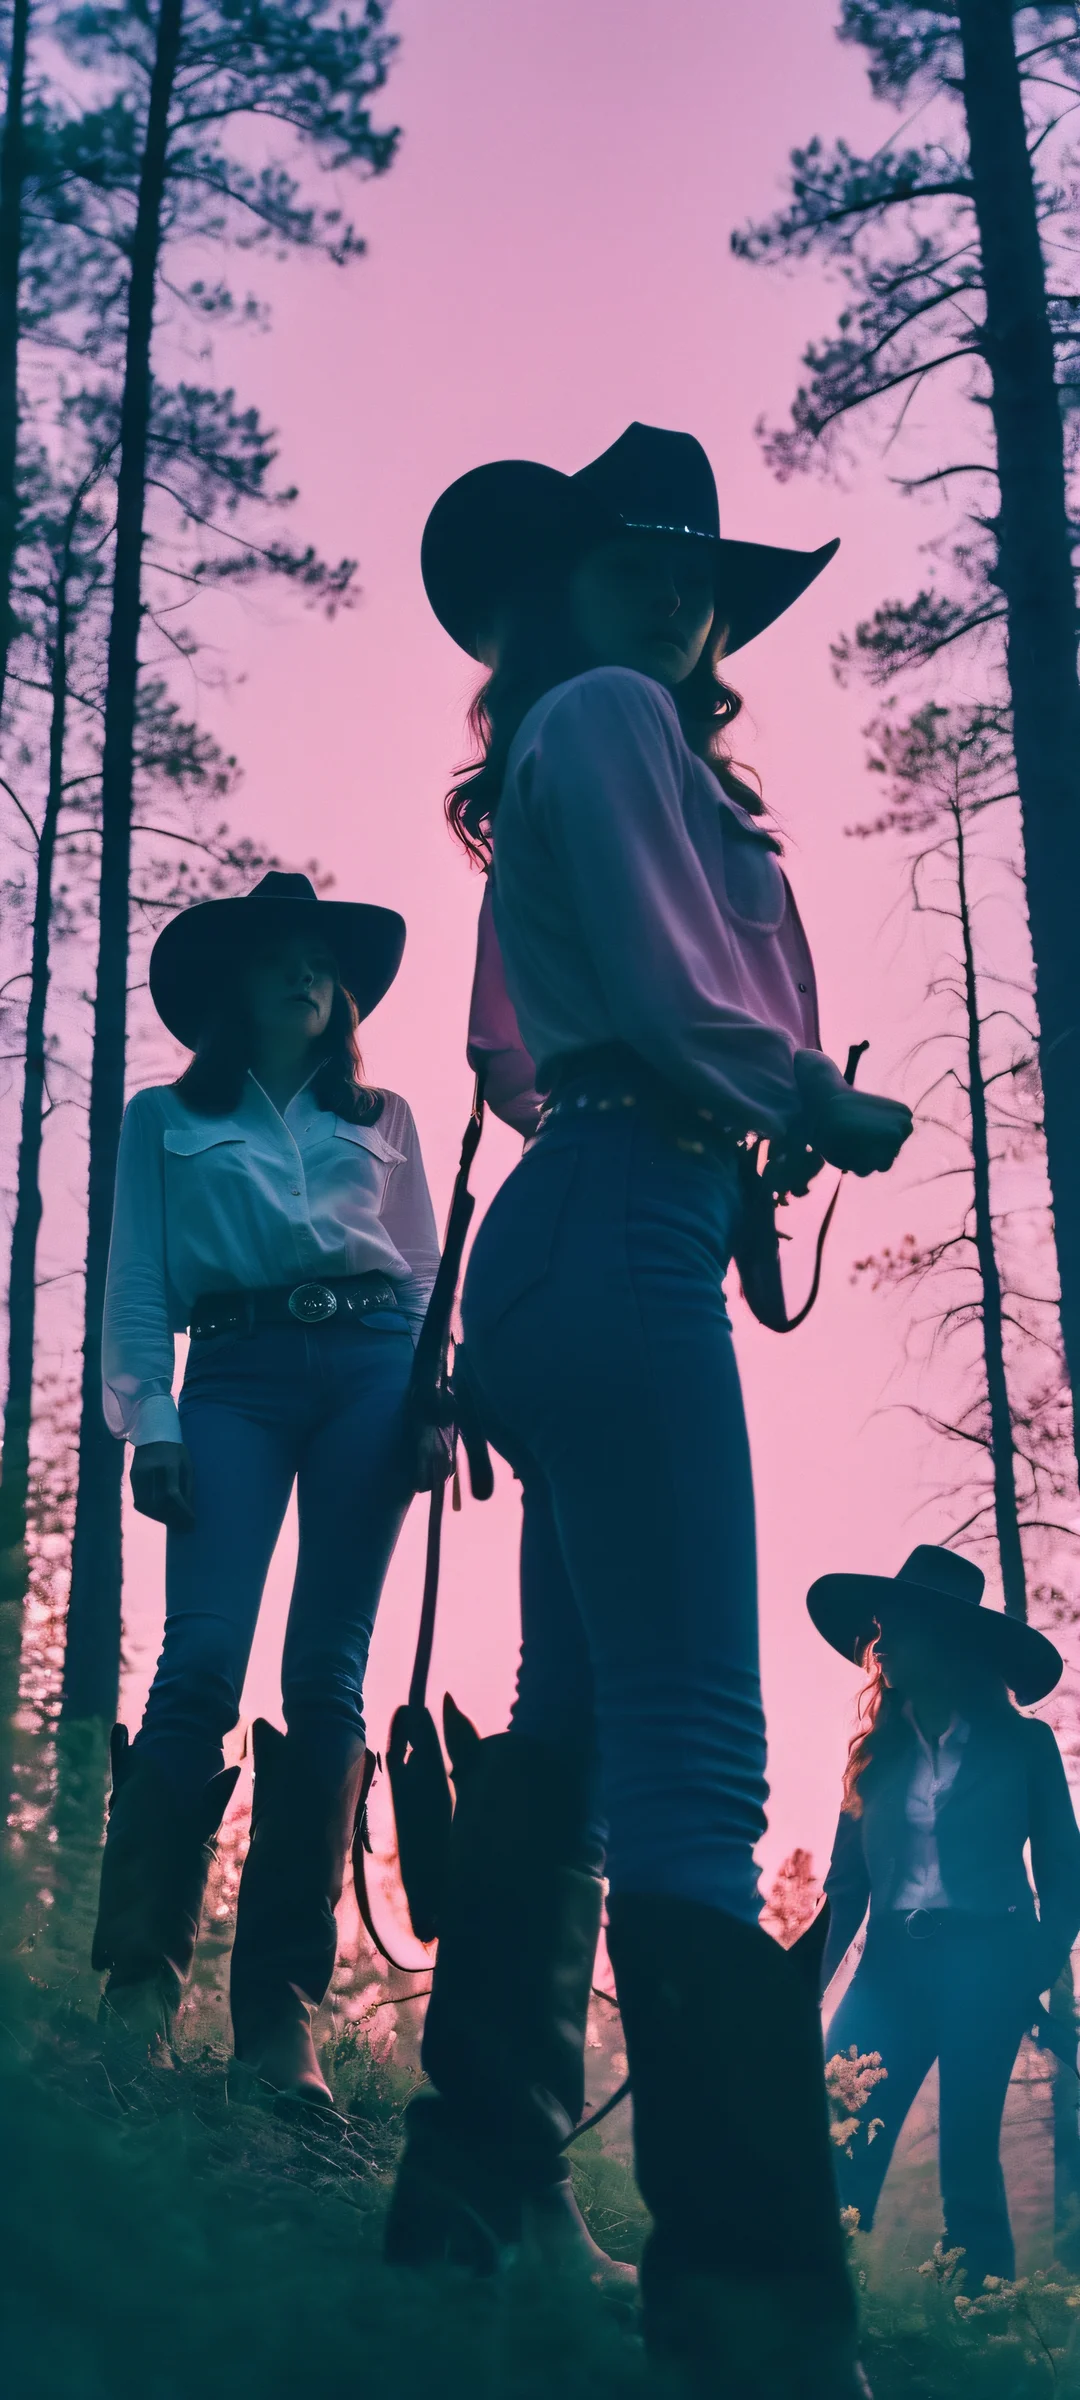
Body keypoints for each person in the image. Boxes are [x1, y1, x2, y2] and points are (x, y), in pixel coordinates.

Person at [385, 421, 913, 2393]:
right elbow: (673, 1035)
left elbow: (515, 1050)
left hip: (589, 1228)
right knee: (699, 1746)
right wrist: (799, 1100)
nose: (678, 590)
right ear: (567, 591)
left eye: (701, 570)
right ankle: (755, 2309)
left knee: (587, 1723)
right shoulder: (609, 715)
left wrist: (713, 1113)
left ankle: (478, 2185)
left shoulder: (607, 750)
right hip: (622, 1236)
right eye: (637, 560)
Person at [90, 871, 440, 2106]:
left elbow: (419, 1275)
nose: (305, 972)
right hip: (229, 1377)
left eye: (320, 959)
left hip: (372, 1374)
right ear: (235, 985)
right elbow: (137, 1281)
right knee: (198, 1661)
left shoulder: (385, 1116)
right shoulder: (162, 1118)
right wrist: (151, 1421)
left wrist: (435, 1404)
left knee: (326, 1676)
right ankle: (136, 1988)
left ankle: (278, 2020)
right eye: (278, 956)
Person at [811, 1543, 1080, 2292]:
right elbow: (844, 1888)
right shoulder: (874, 1757)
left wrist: (1023, 1970)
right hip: (887, 1974)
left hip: (984, 1969)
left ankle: (986, 2327)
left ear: (951, 1641)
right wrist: (797, 1986)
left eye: (898, 1627)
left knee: (966, 2156)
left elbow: (1067, 1878)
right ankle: (828, 2310)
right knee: (837, 2142)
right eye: (879, 1627)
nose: (881, 1642)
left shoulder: (1025, 1746)